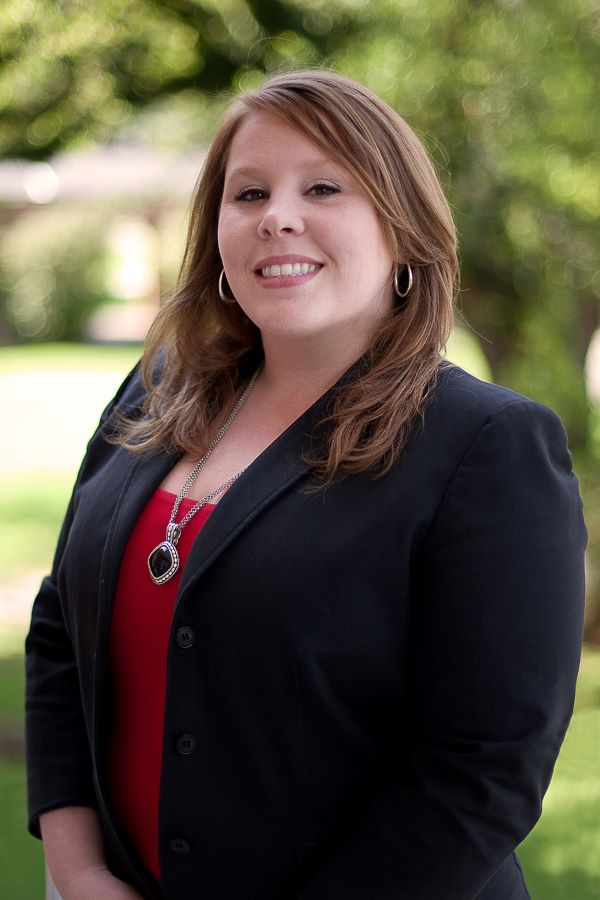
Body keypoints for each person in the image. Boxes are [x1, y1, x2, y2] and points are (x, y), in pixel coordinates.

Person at [26, 69, 586, 900]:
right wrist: (76, 871)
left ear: (403, 230)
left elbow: (480, 775)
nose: (277, 216)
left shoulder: (487, 445)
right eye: (248, 193)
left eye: (323, 186)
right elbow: (61, 634)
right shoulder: (155, 389)